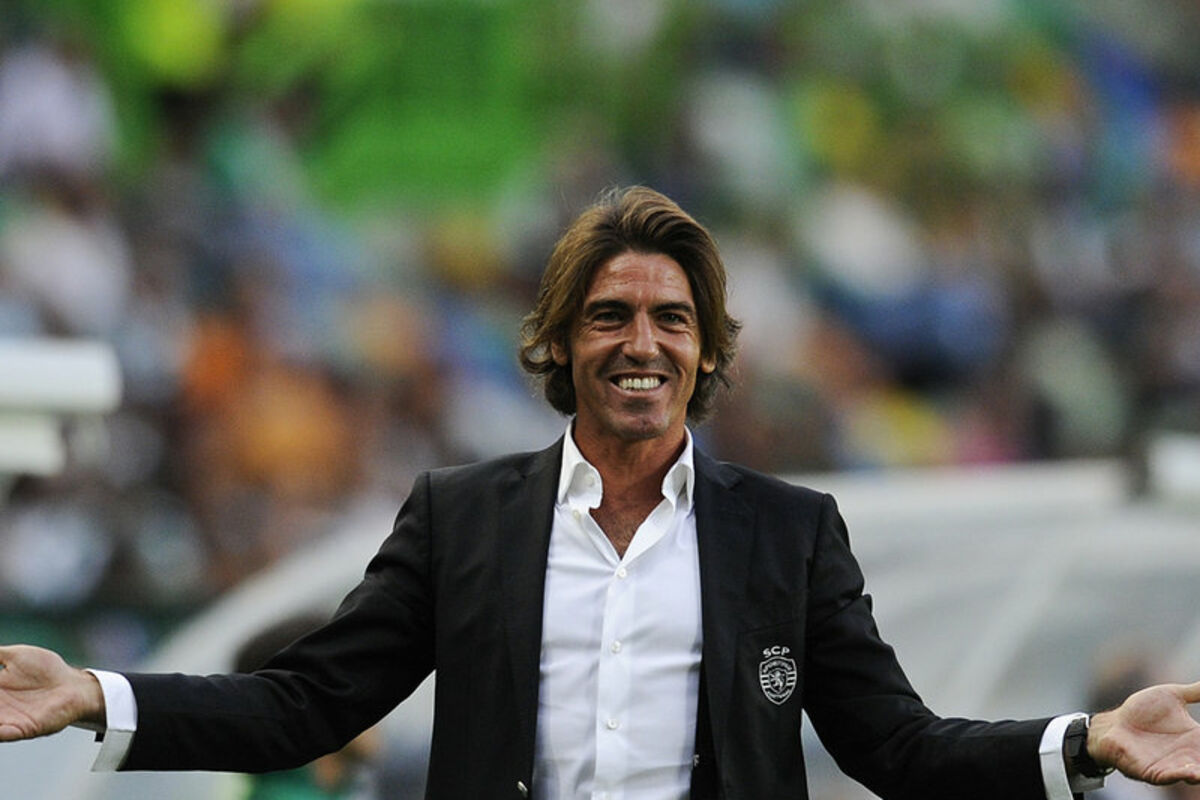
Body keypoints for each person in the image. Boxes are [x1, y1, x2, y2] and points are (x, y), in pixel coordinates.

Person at [1, 186, 1199, 799]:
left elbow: (899, 744)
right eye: (610, 313)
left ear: (706, 349)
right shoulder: (461, 516)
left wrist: (1087, 740)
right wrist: (90, 692)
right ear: (561, 341)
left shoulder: (790, 533)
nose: (642, 341)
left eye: (672, 317)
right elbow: (303, 702)